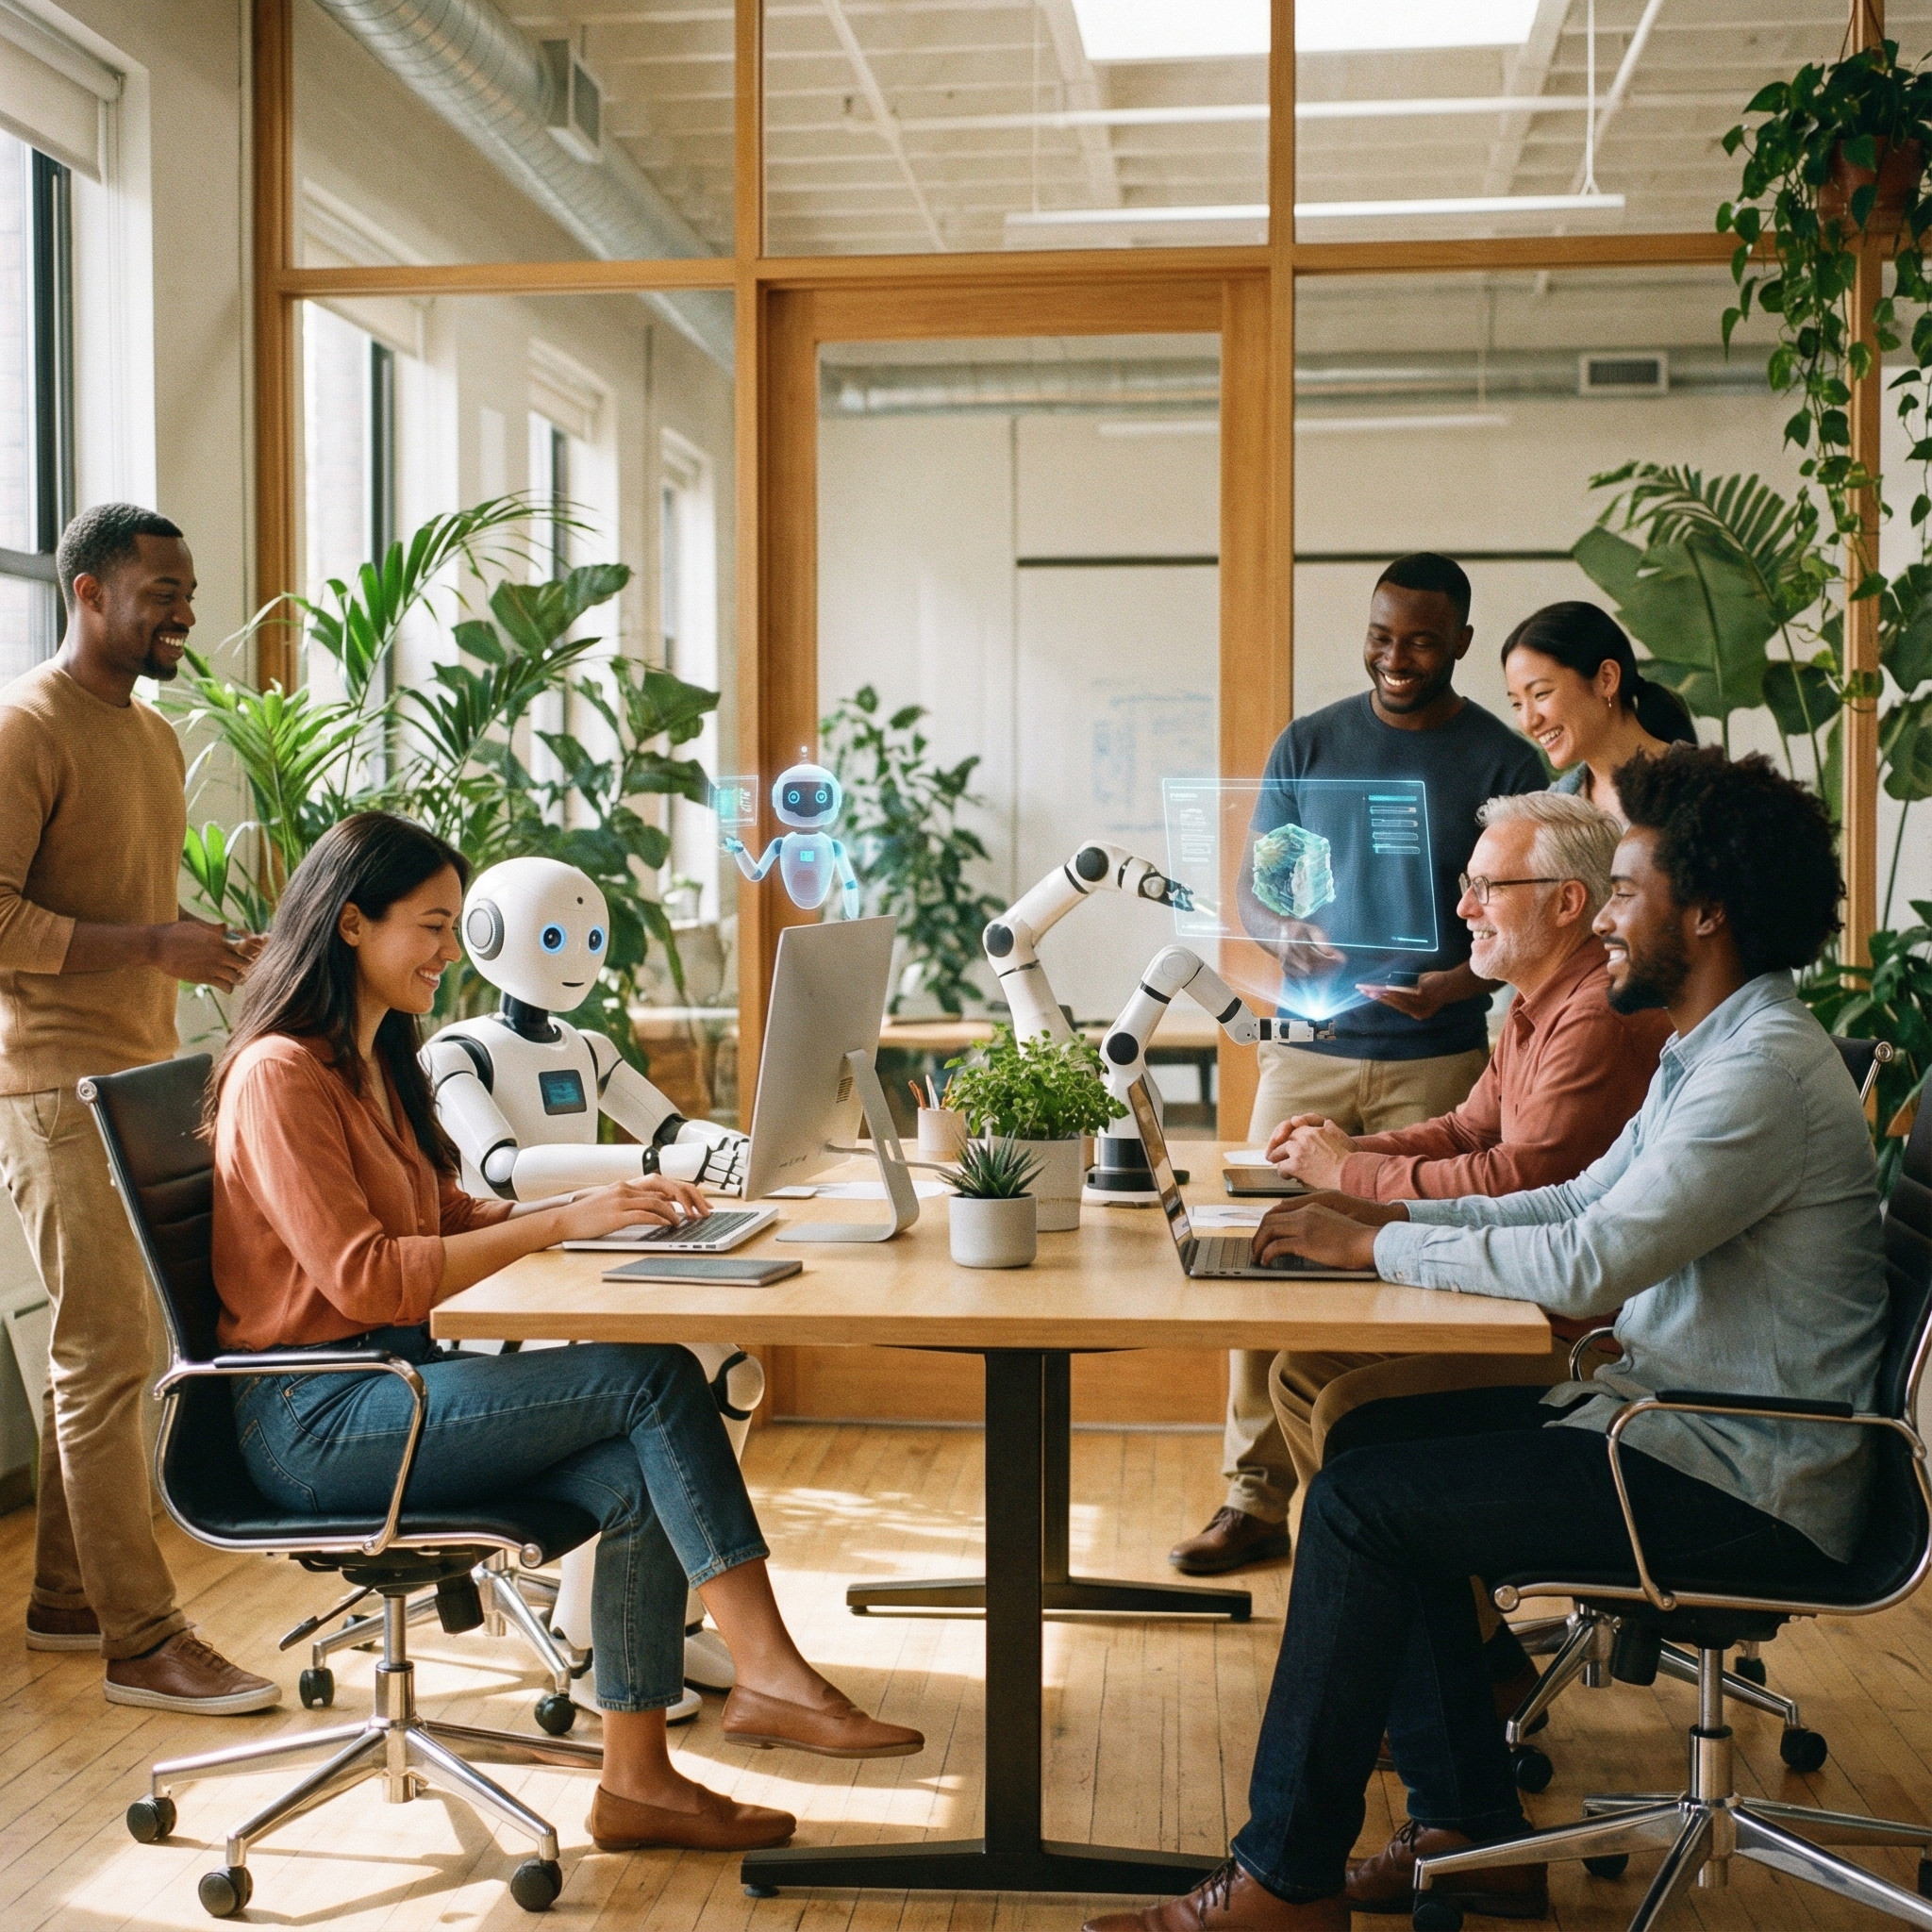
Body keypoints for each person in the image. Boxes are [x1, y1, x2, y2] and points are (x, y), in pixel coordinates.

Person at [1086, 747, 1884, 1932]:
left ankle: (1282, 1880)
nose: (1606, 919)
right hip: (1671, 1425)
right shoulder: (1705, 1042)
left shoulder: (1755, 1068)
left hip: (1738, 1472)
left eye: (1624, 891)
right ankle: (1474, 1831)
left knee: (1362, 1506)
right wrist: (1384, 1215)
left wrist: (1373, 1245)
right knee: (1361, 1436)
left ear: (1704, 911)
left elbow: (1587, 1262)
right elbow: (1567, 1203)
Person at [209, 811, 924, 1853]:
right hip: (317, 1418)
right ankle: (771, 1672)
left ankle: (639, 1784)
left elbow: (445, 1217)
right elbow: (366, 1276)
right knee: (650, 1379)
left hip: (388, 1386)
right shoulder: (281, 1074)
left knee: (637, 1466)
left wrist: (609, 1201)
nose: (452, 953)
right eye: (433, 926)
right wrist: (560, 1217)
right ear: (352, 924)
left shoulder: (377, 1062)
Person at [1170, 554, 1546, 1578]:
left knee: (1411, 1264)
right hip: (1308, 1051)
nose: (1393, 656)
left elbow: (1527, 928)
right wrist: (1282, 931)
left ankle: (1385, 1488)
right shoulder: (1312, 740)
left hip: (1438, 1067)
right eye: (1380, 634)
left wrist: (1452, 987)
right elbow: (1258, 889)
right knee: (1259, 1256)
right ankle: (1250, 1499)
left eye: (1419, 639)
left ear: (1460, 642)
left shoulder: (1503, 762)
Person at [0, 504, 276, 1713]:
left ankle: (68, 1595)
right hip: (54, 1087)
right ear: (88, 591)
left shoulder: (154, 739)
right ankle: (140, 1635)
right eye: (162, 588)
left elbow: (127, 923)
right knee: (105, 1358)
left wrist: (206, 954)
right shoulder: (23, 728)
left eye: (188, 587)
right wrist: (153, 941)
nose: (184, 609)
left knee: (115, 1353)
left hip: (143, 1073)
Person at [1261, 791, 1671, 1556]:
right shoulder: (1534, 1002)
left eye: (1486, 888)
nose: (1463, 909)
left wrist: (1350, 1176)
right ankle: (1437, 1624)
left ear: (1566, 903)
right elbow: (1465, 1129)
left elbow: (1520, 1175)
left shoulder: (1597, 1013)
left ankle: (1451, 1641)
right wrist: (1350, 1148)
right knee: (1300, 1371)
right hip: (1535, 1297)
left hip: (1584, 1334)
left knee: (1345, 1402)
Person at [1502, 600, 1697, 824]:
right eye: (1517, 704)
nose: (1529, 722)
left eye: (1541, 694)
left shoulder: (1704, 789)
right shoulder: (1551, 811)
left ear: (1607, 679)